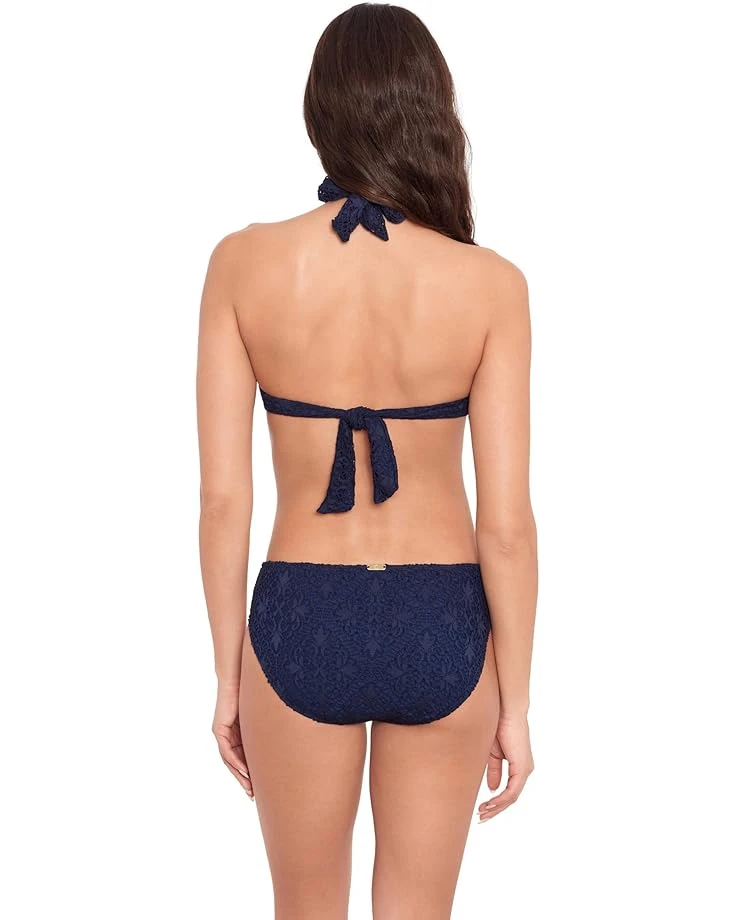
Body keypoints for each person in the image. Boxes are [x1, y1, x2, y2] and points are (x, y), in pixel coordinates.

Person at [196, 4, 537, 918]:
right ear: (431, 109)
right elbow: (507, 526)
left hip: (300, 615)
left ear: (321, 111)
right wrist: (515, 700)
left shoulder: (241, 265)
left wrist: (228, 677)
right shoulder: (491, 284)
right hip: (444, 621)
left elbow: (224, 501)